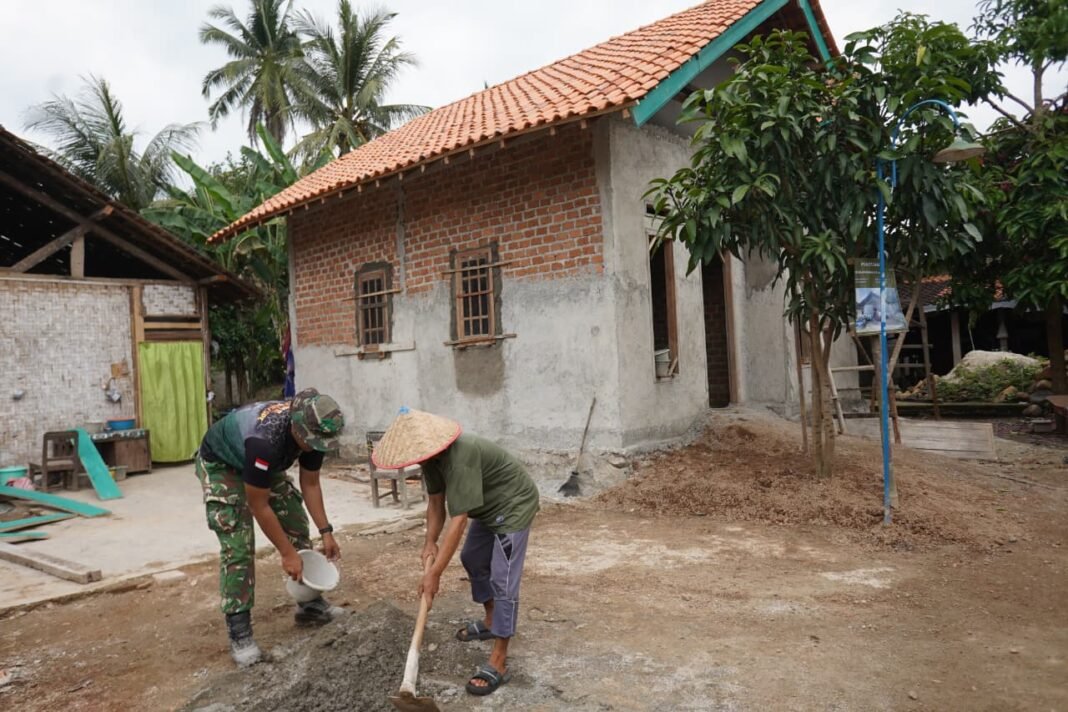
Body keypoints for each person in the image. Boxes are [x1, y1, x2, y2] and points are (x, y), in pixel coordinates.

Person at [372, 407, 540, 697]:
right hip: (488, 507)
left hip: (513, 506)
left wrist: (434, 574)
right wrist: (429, 542)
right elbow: (436, 503)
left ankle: (499, 661)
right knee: (472, 559)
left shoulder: (462, 456)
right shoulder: (431, 461)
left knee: (504, 579)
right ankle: (491, 620)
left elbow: (459, 520)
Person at [194, 387, 346, 667]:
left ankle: (309, 604)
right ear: (298, 429)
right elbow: (258, 506)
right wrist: (287, 554)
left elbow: (310, 483)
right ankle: (240, 631)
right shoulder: (265, 440)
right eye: (312, 442)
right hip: (222, 465)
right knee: (238, 545)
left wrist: (326, 531)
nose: (316, 447)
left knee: (295, 521)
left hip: (262, 465)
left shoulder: (314, 435)